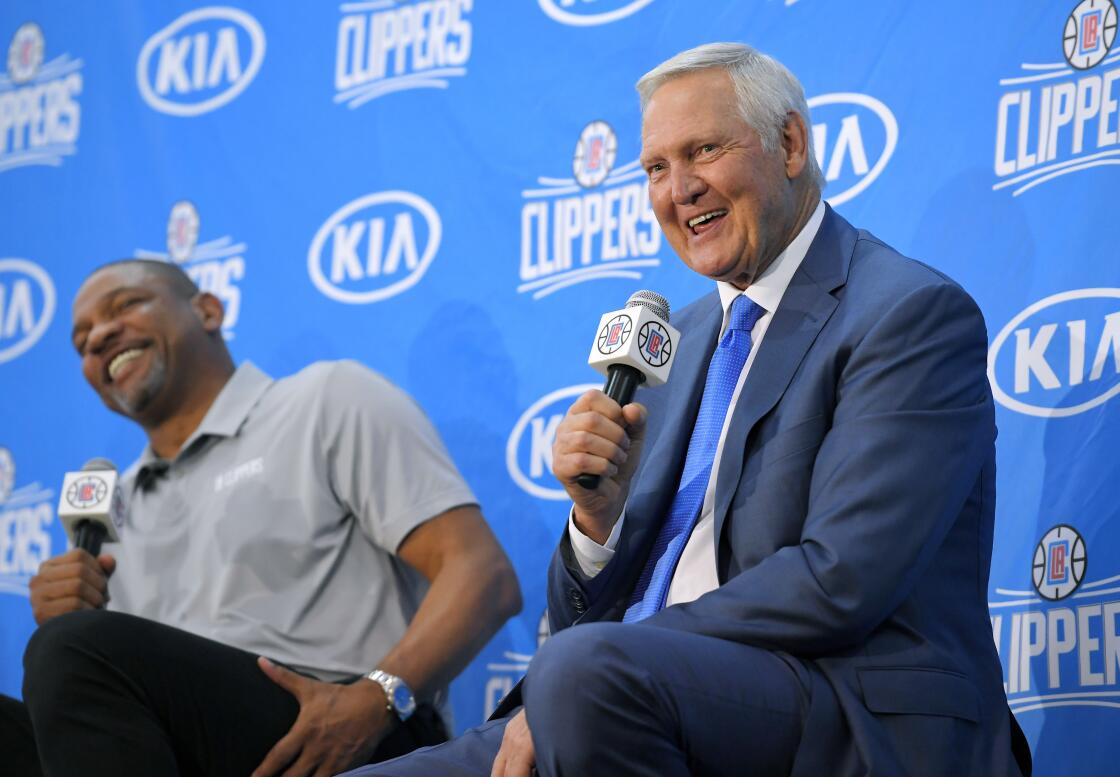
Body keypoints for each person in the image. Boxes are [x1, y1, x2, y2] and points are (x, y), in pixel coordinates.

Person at [345, 42, 1030, 777]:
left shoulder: (906, 315)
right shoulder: (677, 340)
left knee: (581, 675)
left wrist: (612, 657)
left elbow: (842, 580)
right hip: (623, 692)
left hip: (845, 714)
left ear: (790, 144)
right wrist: (598, 525)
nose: (679, 190)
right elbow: (582, 628)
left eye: (703, 150)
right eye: (655, 168)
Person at [0, 258, 521, 777]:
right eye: (81, 341)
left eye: (123, 306)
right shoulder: (113, 508)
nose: (99, 337)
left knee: (75, 650)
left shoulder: (324, 400)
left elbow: (481, 576)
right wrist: (71, 625)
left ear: (206, 309)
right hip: (175, 743)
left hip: (340, 722)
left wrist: (376, 698)